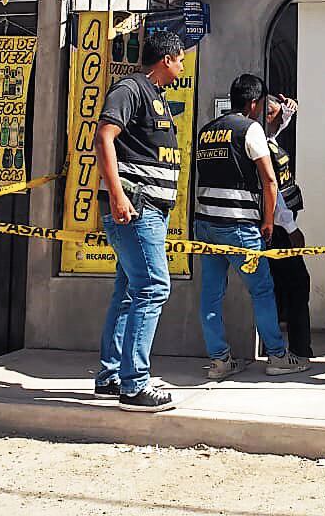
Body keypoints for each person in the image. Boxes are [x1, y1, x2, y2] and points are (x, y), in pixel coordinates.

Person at [194, 73, 310, 381]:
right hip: (239, 227)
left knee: (211, 294)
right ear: (254, 103)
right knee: (262, 290)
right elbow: (269, 180)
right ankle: (277, 356)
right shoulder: (250, 129)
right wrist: (269, 222)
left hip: (205, 224)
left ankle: (219, 362)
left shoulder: (207, 131)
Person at [94, 29, 185, 412]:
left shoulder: (155, 97)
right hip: (136, 207)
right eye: (180, 59)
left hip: (148, 209)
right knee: (152, 288)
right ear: (165, 59)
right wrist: (116, 195)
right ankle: (134, 385)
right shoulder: (130, 89)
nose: (182, 65)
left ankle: (111, 376)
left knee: (131, 289)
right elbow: (104, 137)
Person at [264, 95, 313, 359]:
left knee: (286, 286)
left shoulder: (269, 139)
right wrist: (291, 228)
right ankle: (298, 348)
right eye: (270, 113)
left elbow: (278, 125)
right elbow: (275, 193)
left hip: (281, 226)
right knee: (296, 284)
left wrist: (288, 111)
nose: (277, 116)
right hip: (280, 229)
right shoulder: (261, 144)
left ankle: (298, 347)